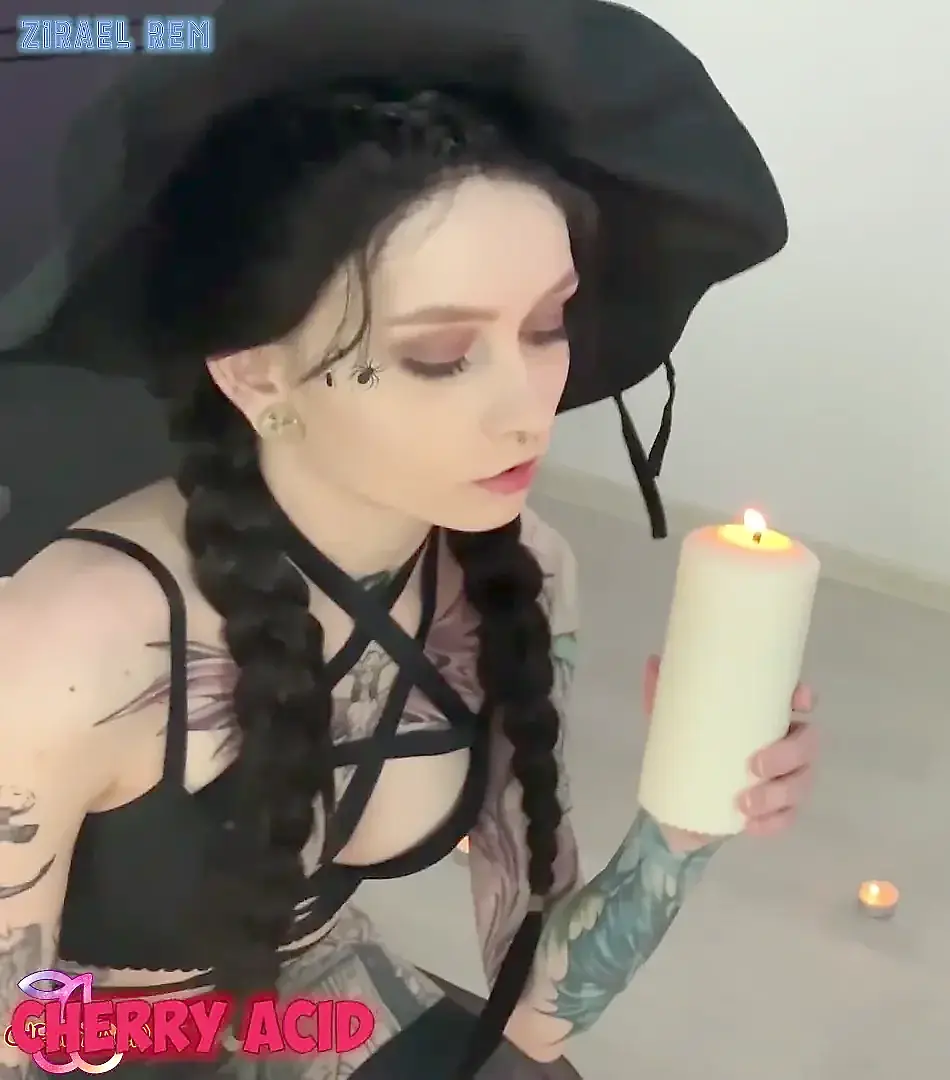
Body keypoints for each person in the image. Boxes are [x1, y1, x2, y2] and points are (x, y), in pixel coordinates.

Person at [0, 0, 813, 1075]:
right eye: (439, 356)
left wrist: (687, 821)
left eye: (547, 326)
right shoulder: (68, 646)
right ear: (256, 374)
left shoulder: (521, 576)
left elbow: (532, 1012)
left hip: (322, 1006)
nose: (527, 411)